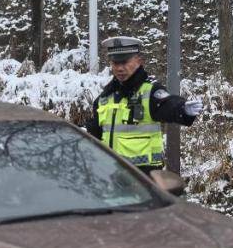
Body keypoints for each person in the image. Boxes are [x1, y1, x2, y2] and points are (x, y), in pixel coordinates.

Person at [85, 36, 203, 172]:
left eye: (124, 62)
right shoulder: (106, 97)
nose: (119, 68)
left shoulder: (149, 91)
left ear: (139, 61)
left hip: (144, 179)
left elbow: (166, 104)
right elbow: (96, 135)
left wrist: (182, 109)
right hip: (111, 175)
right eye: (115, 63)